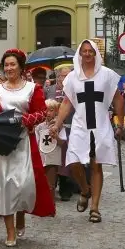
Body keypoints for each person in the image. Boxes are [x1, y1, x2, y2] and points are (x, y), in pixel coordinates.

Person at [0, 49, 54, 246]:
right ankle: (9, 231)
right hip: (3, 145)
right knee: (6, 187)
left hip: (24, 144)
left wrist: (23, 120)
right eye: (7, 65)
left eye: (13, 64)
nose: (9, 68)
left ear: (20, 67)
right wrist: (1, 125)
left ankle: (21, 213)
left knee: (25, 184)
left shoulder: (32, 88)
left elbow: (42, 113)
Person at [50, 40, 124, 223]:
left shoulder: (107, 75)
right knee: (74, 162)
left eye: (91, 51)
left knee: (96, 164)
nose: (88, 54)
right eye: (84, 51)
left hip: (99, 125)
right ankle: (84, 189)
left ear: (95, 54)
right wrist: (57, 124)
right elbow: (67, 102)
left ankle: (95, 208)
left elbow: (118, 99)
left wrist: (120, 124)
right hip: (80, 125)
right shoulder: (73, 77)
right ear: (80, 54)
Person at [45, 65, 75, 201]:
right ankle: (51, 185)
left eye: (69, 75)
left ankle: (65, 188)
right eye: (64, 75)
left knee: (65, 161)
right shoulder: (48, 90)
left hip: (69, 129)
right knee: (51, 157)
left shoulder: (74, 90)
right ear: (58, 77)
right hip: (50, 129)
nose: (66, 78)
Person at [37, 99, 66, 196]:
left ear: (57, 111)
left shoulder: (60, 126)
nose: (48, 113)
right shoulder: (40, 126)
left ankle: (51, 206)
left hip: (52, 158)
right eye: (46, 110)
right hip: (41, 158)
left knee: (50, 185)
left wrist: (56, 137)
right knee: (41, 184)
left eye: (51, 110)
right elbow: (37, 142)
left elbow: (62, 142)